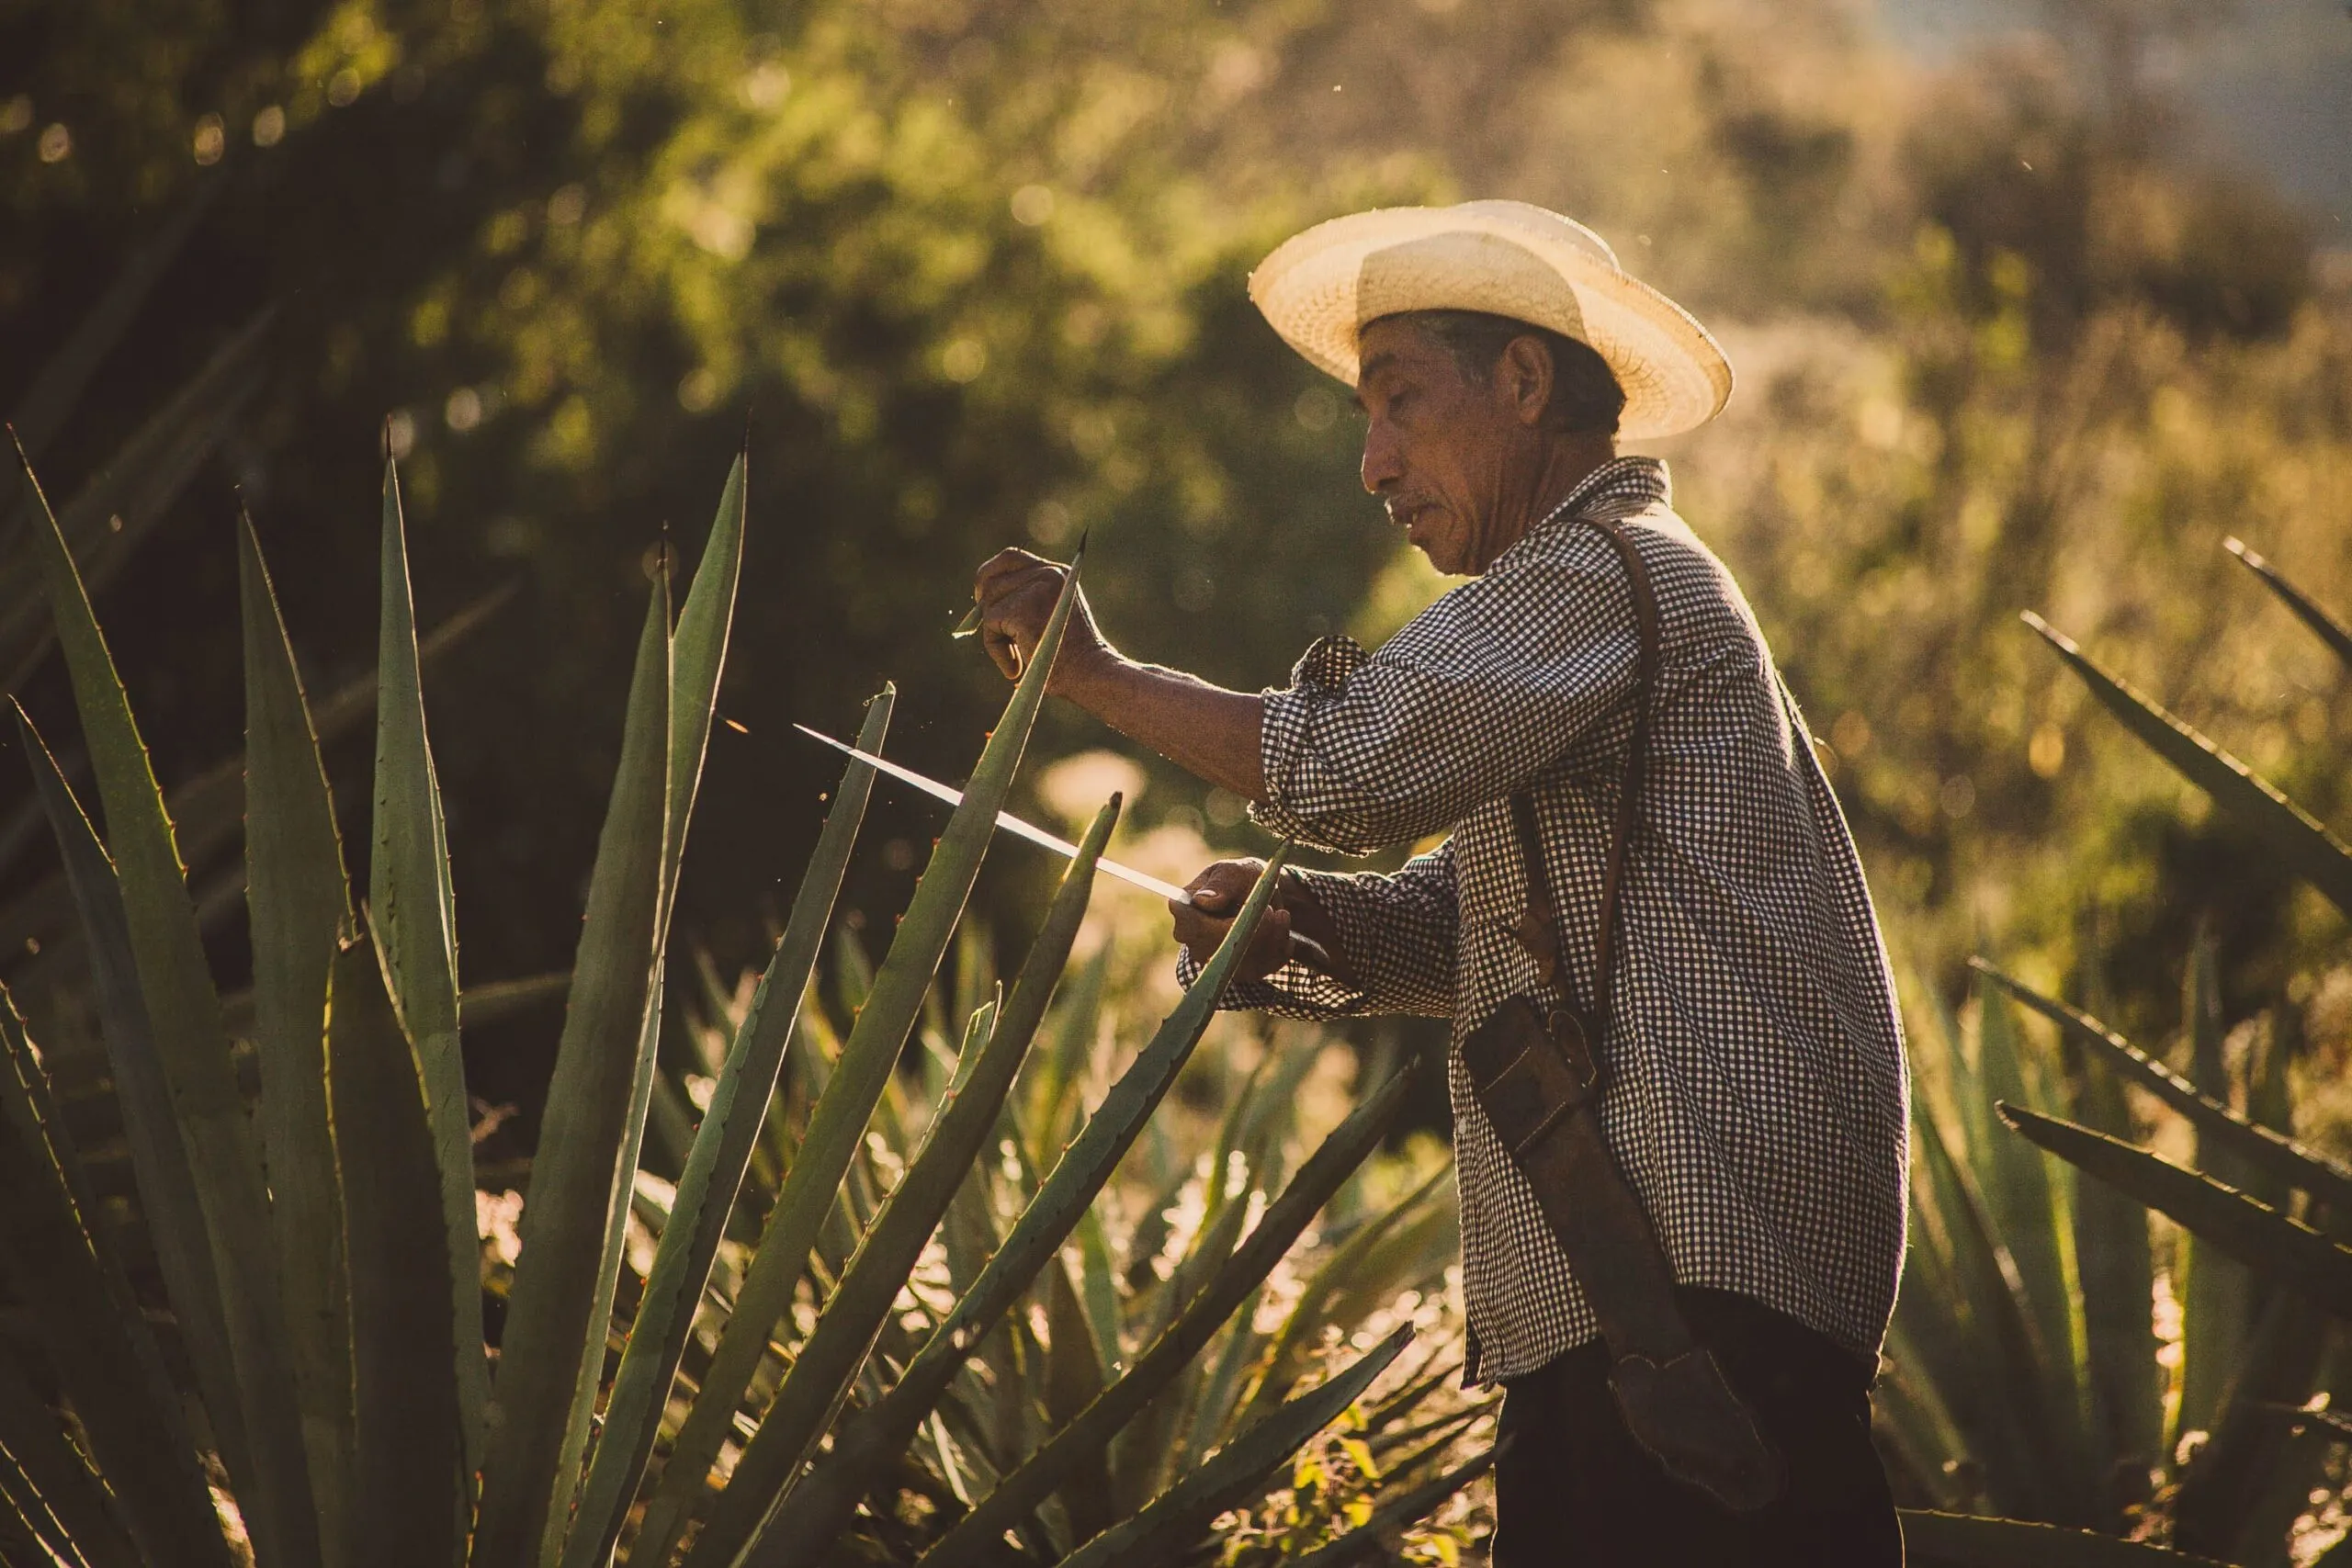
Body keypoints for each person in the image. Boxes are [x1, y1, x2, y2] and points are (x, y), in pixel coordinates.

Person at [969, 200, 1908, 1565]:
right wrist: (1312, 922)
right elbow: (1472, 925)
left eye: (1399, 400)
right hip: (1642, 1299)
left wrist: (1102, 679)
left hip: (1686, 1301)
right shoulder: (1596, 598)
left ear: (1525, 384)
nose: (1374, 463)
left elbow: (1350, 769)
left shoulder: (1601, 567)